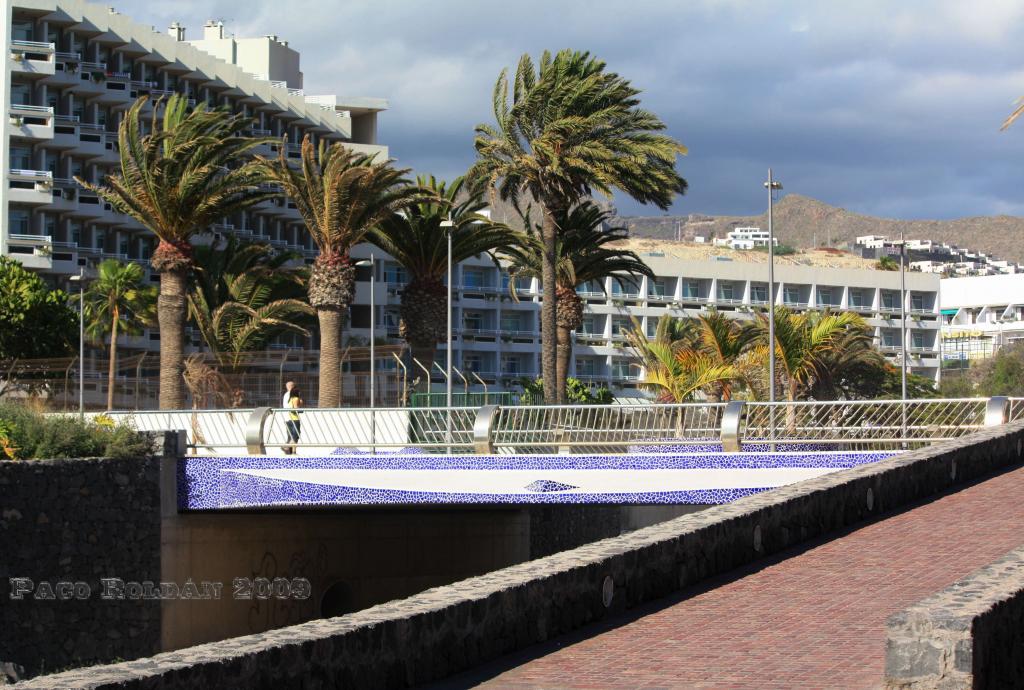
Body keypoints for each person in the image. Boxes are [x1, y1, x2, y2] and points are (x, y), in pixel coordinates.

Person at [285, 386, 302, 455]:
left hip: (289, 419)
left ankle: (294, 452)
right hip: (295, 419)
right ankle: (287, 446)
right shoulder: (296, 399)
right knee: (296, 436)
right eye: (299, 392)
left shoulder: (290, 399)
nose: (300, 393)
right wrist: (301, 410)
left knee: (293, 436)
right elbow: (296, 408)